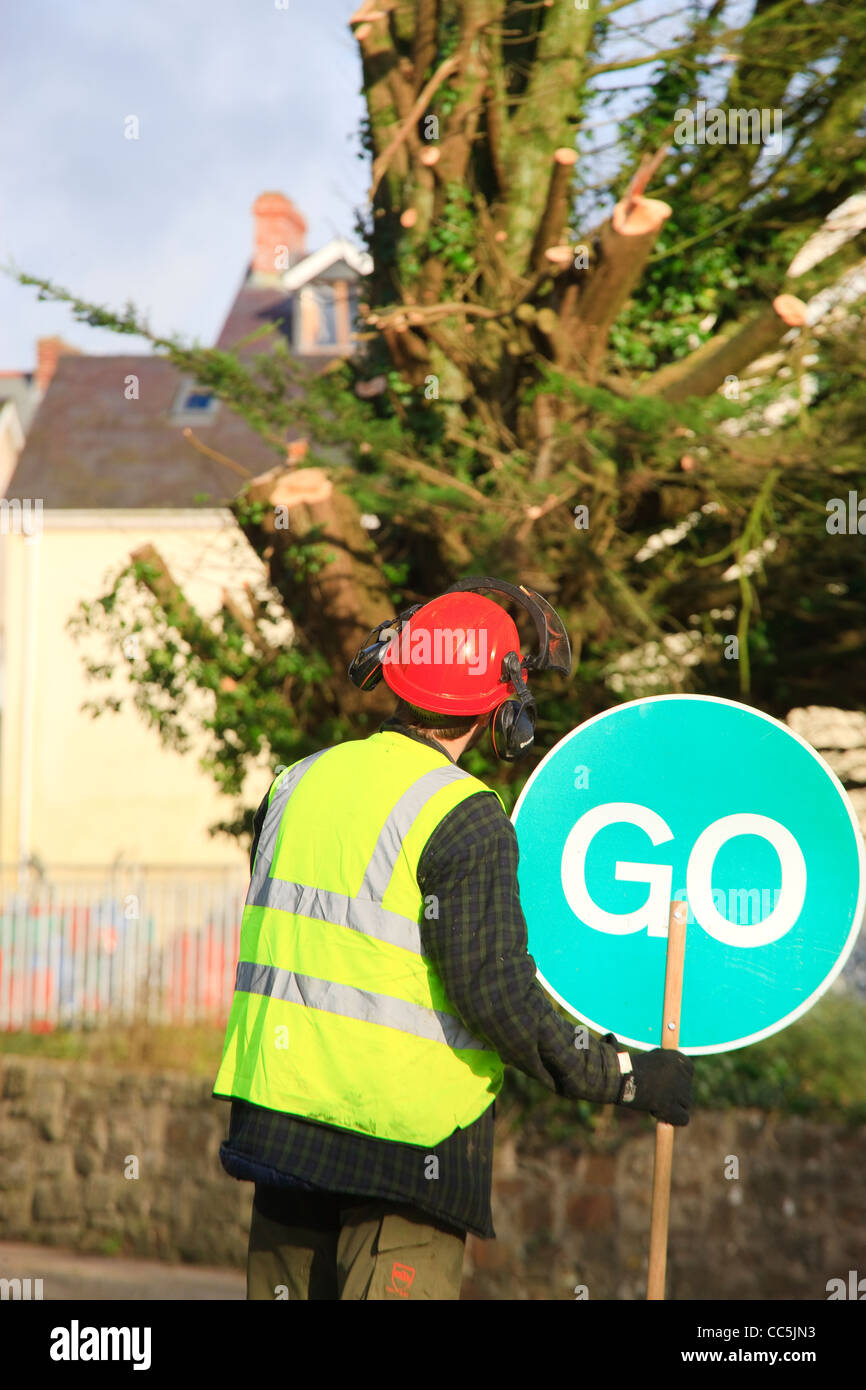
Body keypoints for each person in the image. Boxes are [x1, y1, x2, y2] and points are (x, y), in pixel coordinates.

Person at [212, 577, 694, 1300]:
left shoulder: (295, 783)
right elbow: (496, 995)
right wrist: (625, 1077)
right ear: (503, 707)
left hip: (279, 1136)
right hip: (406, 1154)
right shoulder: (465, 815)